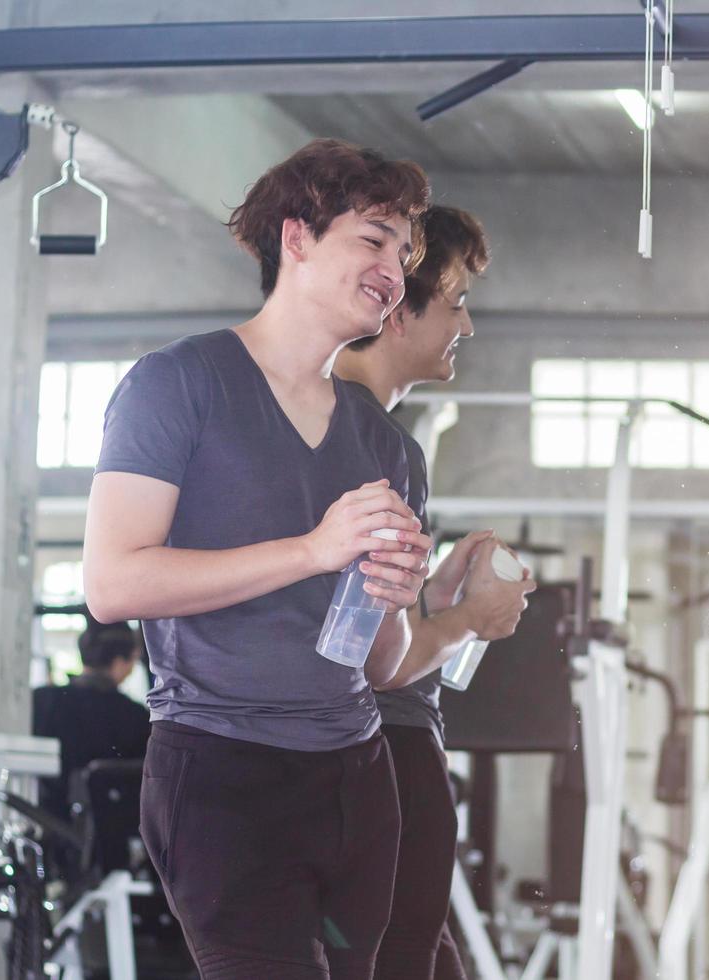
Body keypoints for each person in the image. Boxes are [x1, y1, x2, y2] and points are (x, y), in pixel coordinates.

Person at [82, 138, 435, 980]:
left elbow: (381, 664)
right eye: (375, 239)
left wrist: (393, 593)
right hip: (221, 769)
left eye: (408, 254)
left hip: (357, 780)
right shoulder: (177, 384)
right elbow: (112, 583)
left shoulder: (387, 444)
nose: (396, 268)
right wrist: (314, 549)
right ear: (298, 237)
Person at [334, 205, 535, 979]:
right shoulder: (386, 445)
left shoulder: (329, 424)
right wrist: (473, 617)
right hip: (388, 750)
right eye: (454, 301)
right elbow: (381, 661)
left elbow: (360, 620)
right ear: (396, 308)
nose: (467, 325)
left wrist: (438, 594)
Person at [32, 617, 152, 825]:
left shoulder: (42, 700)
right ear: (118, 662)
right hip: (110, 831)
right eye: (132, 660)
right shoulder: (134, 716)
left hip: (42, 818)